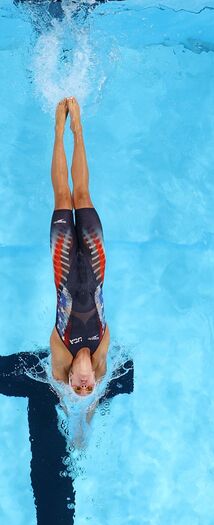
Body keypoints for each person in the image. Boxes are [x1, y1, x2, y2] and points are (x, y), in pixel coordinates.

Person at [48, 97, 110, 396]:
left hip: (64, 266)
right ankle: (78, 130)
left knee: (63, 197)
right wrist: (88, 414)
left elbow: (58, 386)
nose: (83, 387)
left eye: (77, 388)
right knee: (83, 195)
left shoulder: (61, 350)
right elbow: (92, 396)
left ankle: (59, 130)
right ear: (95, 380)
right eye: (89, 389)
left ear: (69, 377)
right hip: (96, 265)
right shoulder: (101, 348)